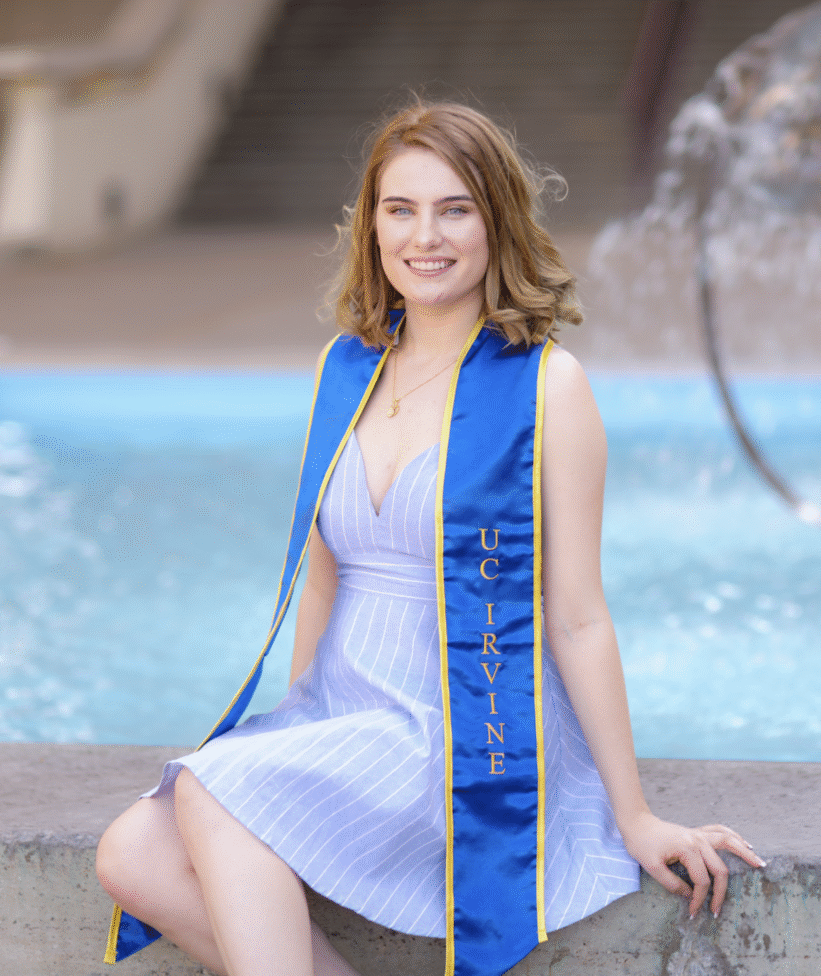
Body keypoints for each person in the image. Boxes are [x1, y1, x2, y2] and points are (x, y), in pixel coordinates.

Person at [95, 99, 764, 976]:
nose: (426, 236)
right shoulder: (349, 366)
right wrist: (298, 743)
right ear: (372, 225)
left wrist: (634, 813)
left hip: (459, 721)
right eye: (400, 209)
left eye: (455, 209)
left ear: (497, 222)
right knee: (131, 854)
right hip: (347, 705)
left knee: (221, 797)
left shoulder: (546, 388)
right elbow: (325, 577)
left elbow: (578, 617)